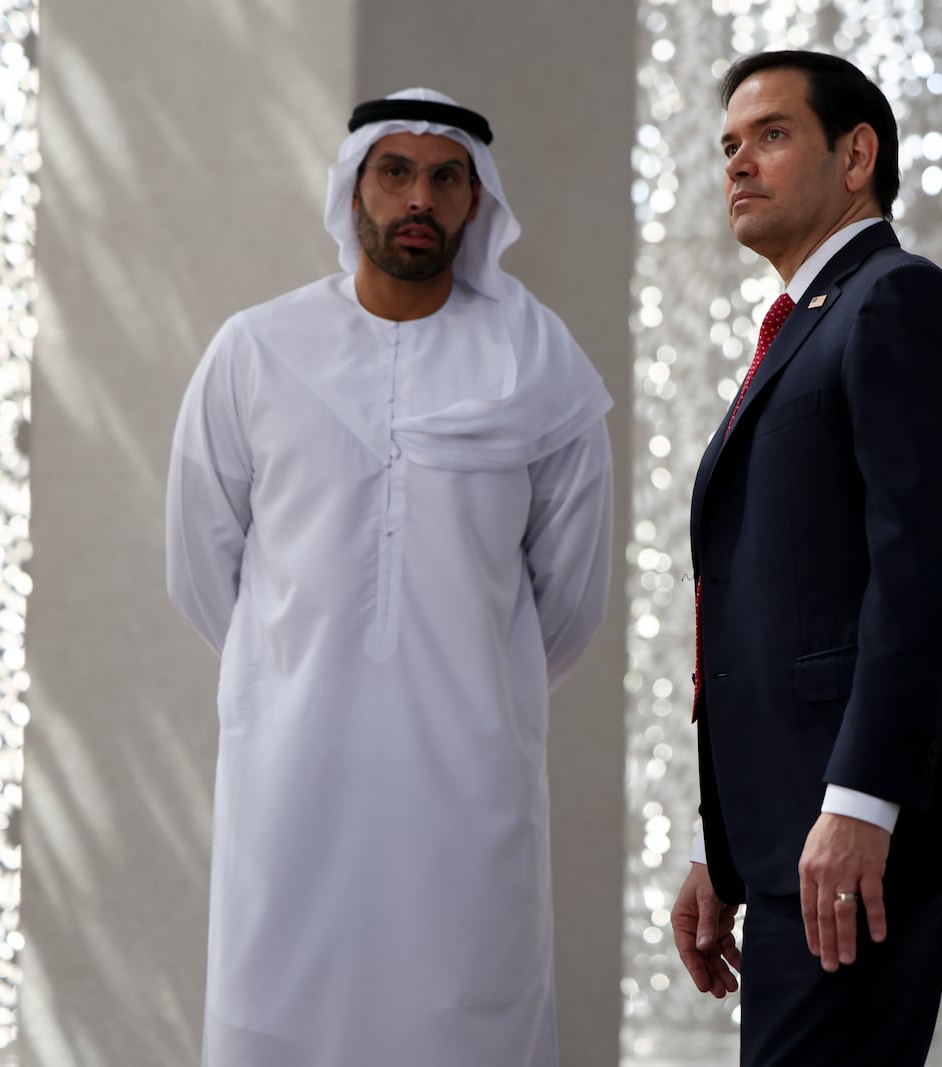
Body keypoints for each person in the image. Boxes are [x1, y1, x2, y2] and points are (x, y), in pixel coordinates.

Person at [166, 88, 613, 1067]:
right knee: (280, 1007)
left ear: (476, 201)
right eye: (396, 171)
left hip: (468, 776)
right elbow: (201, 564)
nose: (421, 196)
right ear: (354, 187)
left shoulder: (541, 365)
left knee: (469, 1012)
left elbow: (570, 598)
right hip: (291, 769)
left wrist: (468, 682)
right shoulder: (256, 350)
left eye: (446, 177)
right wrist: (287, 671)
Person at [670, 51, 942, 1066]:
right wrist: (717, 847)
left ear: (856, 153)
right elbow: (768, 609)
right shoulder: (805, 328)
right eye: (729, 144)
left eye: (771, 135)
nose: (738, 163)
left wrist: (862, 801)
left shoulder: (895, 302)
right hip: (788, 826)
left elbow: (924, 575)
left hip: (858, 827)